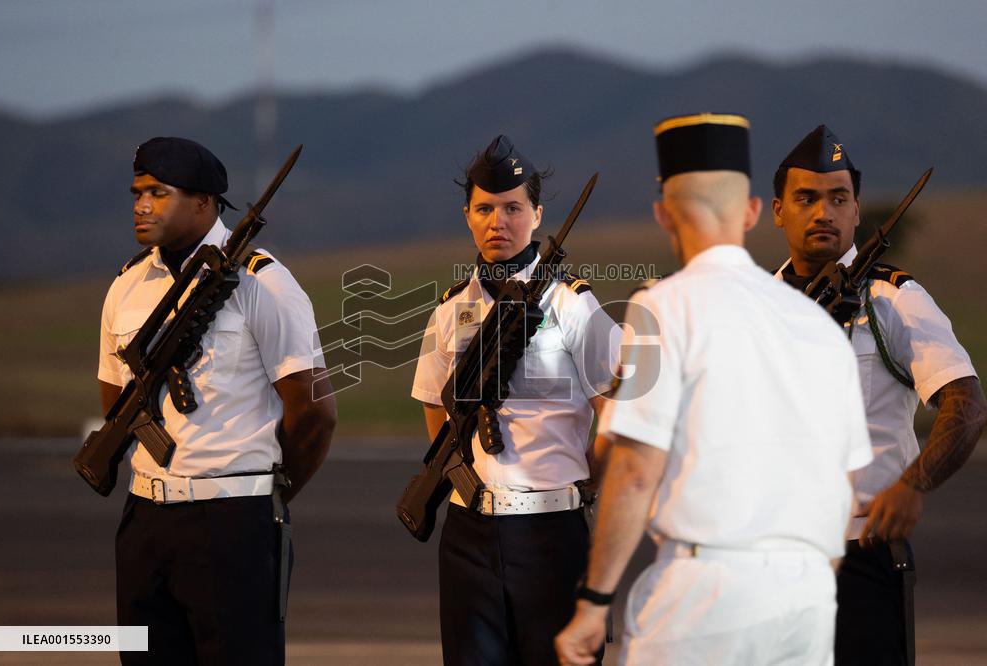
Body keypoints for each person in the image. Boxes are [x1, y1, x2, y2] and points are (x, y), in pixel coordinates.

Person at [555, 113, 874, 666]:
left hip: (706, 598)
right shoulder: (819, 324)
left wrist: (592, 601)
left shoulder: (662, 306)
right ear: (753, 211)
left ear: (663, 214)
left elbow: (634, 471)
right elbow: (845, 485)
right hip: (809, 599)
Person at [97, 137, 337, 665]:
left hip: (232, 523)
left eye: (158, 192)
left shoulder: (263, 283)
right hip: (145, 522)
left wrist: (261, 497)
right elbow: (116, 399)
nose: (140, 204)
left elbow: (316, 412)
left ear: (204, 203)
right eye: (137, 191)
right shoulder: (127, 285)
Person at [772, 125, 987, 665]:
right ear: (778, 211)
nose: (824, 211)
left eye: (838, 198)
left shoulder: (894, 299)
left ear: (856, 209)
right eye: (807, 198)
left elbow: (966, 403)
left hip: (859, 558)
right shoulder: (757, 306)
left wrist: (914, 484)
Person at [411, 134, 622, 666]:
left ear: (537, 214)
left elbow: (618, 414)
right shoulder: (451, 308)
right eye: (484, 208)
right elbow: (436, 410)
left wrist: (587, 478)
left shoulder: (572, 304)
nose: (497, 222)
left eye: (512, 208)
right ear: (467, 215)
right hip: (468, 533)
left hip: (552, 532)